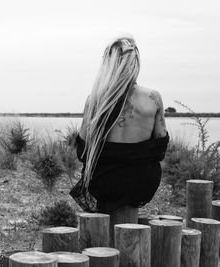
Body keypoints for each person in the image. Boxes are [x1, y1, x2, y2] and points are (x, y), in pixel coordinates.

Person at [70, 36, 169, 215]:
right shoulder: (153, 98)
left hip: (103, 182)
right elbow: (160, 147)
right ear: (135, 63)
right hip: (141, 183)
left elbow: (82, 150)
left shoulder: (94, 100)